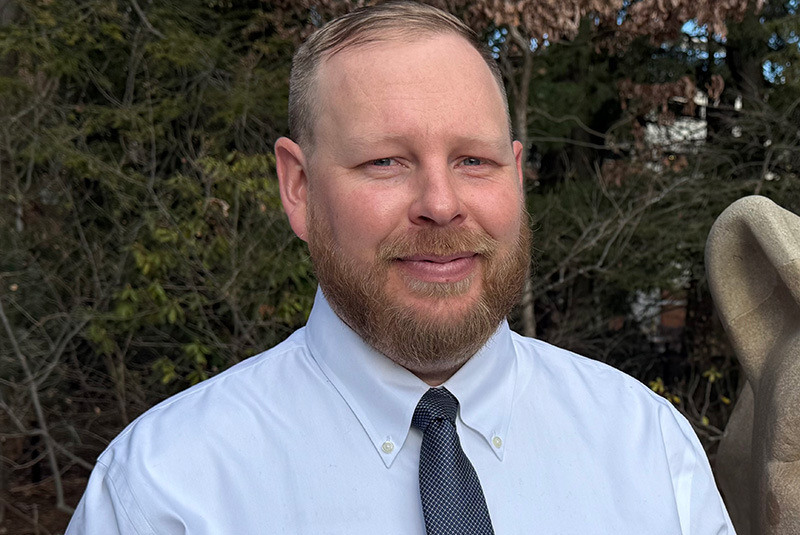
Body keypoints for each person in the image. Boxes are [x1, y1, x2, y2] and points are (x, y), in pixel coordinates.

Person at [66, 2, 735, 533]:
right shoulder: (160, 492)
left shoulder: (650, 451)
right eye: (386, 161)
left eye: (474, 160)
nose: (442, 205)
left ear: (517, 173)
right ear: (298, 187)